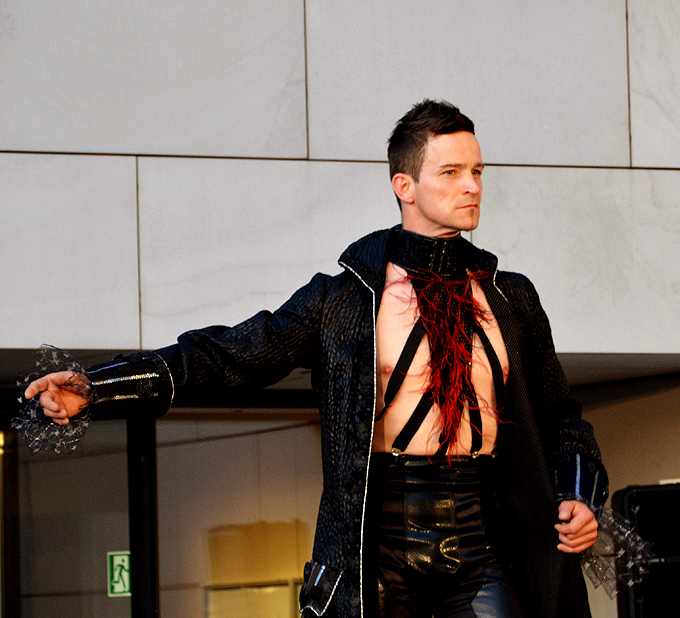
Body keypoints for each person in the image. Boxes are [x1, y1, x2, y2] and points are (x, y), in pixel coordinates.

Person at [22, 100, 607, 618]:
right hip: (376, 537)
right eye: (451, 172)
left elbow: (562, 417)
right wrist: (99, 386)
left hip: (486, 531)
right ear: (404, 186)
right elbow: (230, 355)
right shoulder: (345, 299)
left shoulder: (509, 297)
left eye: (477, 171)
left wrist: (578, 497)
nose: (472, 186)